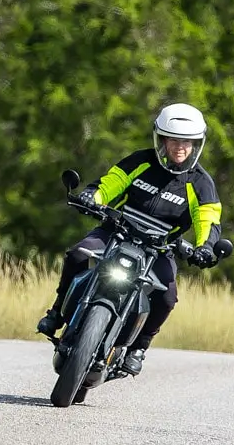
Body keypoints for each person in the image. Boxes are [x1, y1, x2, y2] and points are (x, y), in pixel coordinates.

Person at [37, 103, 223, 376]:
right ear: (161, 140)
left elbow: (208, 218)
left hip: (160, 249)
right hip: (115, 232)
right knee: (78, 254)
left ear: (197, 144)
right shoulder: (141, 161)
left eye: (187, 141)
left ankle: (139, 347)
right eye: (173, 139)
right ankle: (57, 313)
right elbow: (111, 182)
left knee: (167, 297)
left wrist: (205, 248)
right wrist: (93, 197)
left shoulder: (201, 183)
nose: (180, 147)